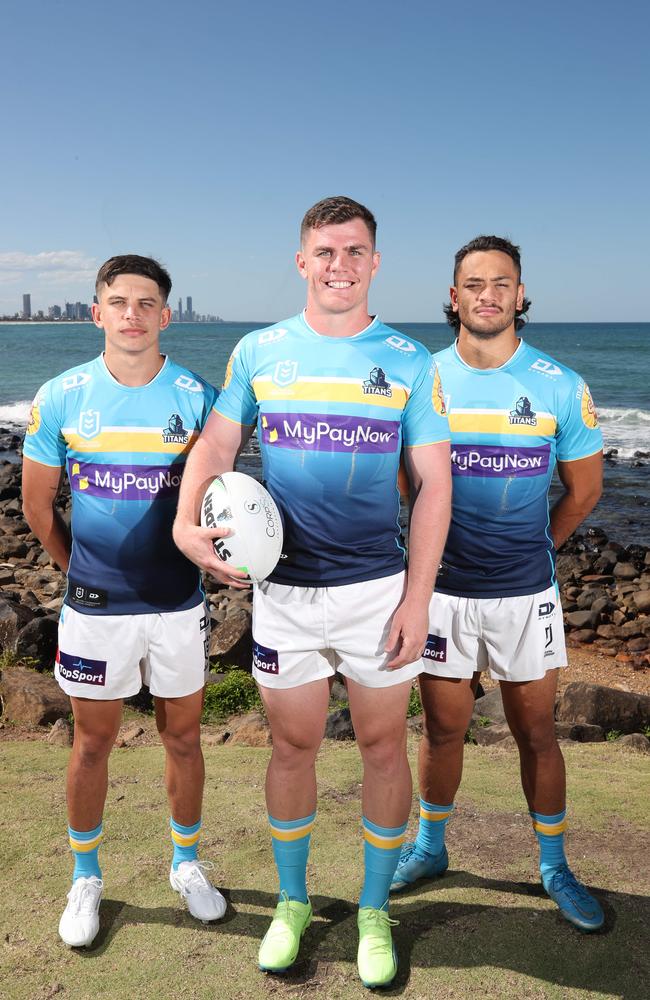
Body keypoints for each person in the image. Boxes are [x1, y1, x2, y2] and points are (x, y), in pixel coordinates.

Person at [173, 196, 452, 987]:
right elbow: (218, 443)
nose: (340, 265)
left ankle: (371, 910)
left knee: (381, 748)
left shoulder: (408, 359)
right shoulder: (260, 351)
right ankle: (291, 905)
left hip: (376, 590)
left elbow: (434, 485)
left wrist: (417, 599)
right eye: (325, 252)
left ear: (375, 263)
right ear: (302, 262)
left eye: (355, 251)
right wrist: (188, 527)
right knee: (293, 746)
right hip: (285, 593)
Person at [390, 235, 605, 932]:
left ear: (519, 296)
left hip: (524, 595)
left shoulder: (559, 383)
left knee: (536, 732)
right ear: (454, 298)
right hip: (443, 594)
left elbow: (583, 489)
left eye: (502, 283)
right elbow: (405, 477)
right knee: (443, 731)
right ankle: (429, 848)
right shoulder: (421, 379)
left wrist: (539, 545)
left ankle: (553, 866)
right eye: (474, 283)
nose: (487, 294)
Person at [22, 255, 226, 948]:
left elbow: (221, 504)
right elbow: (39, 507)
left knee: (183, 739)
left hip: (177, 604)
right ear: (97, 313)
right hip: (94, 610)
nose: (132, 313)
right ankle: (86, 879)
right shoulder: (61, 396)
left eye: (146, 302)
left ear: (165, 315)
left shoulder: (200, 397)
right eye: (119, 302)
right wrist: (84, 573)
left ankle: (187, 865)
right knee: (92, 743)